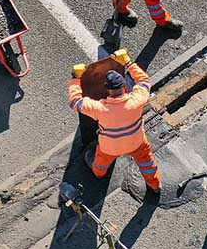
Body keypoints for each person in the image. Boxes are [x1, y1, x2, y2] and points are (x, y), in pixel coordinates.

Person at [69, 56, 161, 199]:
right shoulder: (136, 100)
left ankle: (99, 175)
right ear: (124, 87)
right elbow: (144, 81)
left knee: (101, 163)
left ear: (108, 90)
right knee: (147, 163)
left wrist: (76, 78)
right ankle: (154, 185)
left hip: (109, 148)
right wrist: (129, 63)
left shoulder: (100, 108)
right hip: (136, 143)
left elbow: (75, 102)